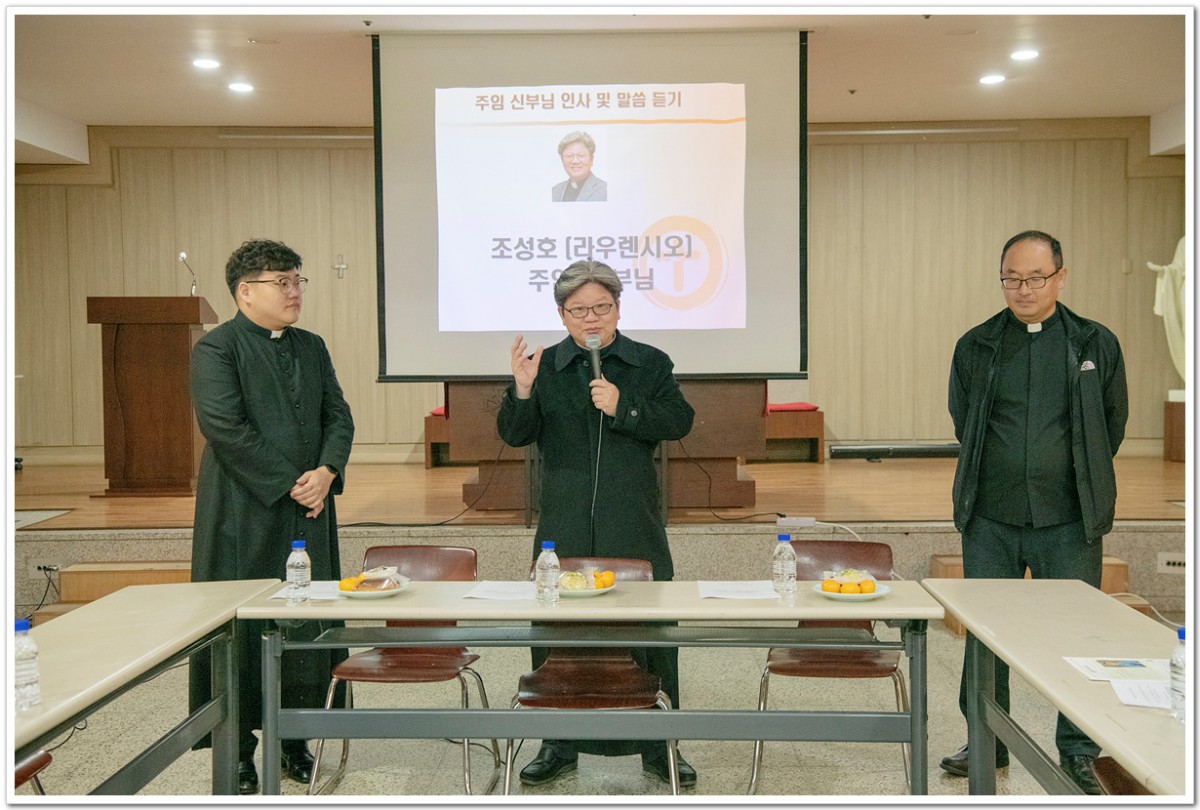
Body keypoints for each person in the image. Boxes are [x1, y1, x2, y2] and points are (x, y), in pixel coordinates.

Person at [497, 260, 696, 787]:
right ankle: (557, 742)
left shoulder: (649, 362)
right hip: (564, 517)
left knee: (650, 630)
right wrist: (521, 390)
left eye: (601, 307)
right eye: (579, 309)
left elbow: (679, 420)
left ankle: (660, 744)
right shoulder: (544, 365)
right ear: (561, 315)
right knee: (559, 630)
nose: (591, 318)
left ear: (618, 309)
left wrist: (624, 406)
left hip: (631, 516)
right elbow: (515, 434)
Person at [943, 230, 1128, 794]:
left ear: (1060, 278)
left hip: (1069, 520)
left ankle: (1079, 751)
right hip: (991, 519)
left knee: (1077, 637)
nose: (1022, 289)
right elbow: (963, 418)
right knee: (986, 637)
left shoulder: (1095, 342)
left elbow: (1111, 423)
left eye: (1035, 278)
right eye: (1011, 278)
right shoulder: (976, 344)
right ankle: (986, 741)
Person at [187, 239, 355, 795]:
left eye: (296, 280)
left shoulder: (312, 345)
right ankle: (237, 750)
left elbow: (339, 415)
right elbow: (225, 427)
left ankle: (296, 740)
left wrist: (327, 471)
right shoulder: (217, 348)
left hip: (309, 510)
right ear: (245, 291)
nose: (293, 291)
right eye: (281, 282)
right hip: (242, 511)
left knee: (306, 624)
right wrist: (293, 483)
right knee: (241, 628)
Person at [551, 131, 607, 202]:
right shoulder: (555, 191)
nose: (575, 161)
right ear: (562, 159)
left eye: (581, 155)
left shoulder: (605, 190)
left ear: (591, 159)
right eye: (569, 156)